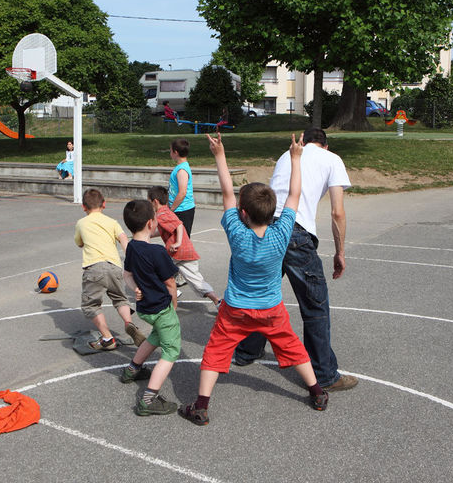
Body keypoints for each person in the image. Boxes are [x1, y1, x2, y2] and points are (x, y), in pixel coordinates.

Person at [178, 132, 328, 426]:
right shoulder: (282, 231)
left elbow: (227, 193)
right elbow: (294, 195)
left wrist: (219, 154)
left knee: (215, 352)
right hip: (271, 309)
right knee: (293, 347)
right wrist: (296, 159)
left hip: (235, 309)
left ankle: (201, 406)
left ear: (243, 213)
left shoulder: (236, 232)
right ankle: (318, 393)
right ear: (274, 212)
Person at [234, 128, 358, 393]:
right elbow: (337, 212)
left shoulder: (286, 155)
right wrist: (340, 252)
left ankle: (247, 351)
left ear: (304, 140)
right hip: (295, 231)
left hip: (265, 227)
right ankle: (324, 374)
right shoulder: (332, 159)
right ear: (325, 144)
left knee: (261, 291)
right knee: (315, 305)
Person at [120, 199, 182, 416]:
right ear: (151, 223)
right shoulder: (156, 252)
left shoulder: (131, 248)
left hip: (145, 309)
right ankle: (148, 399)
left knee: (155, 337)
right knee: (171, 350)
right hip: (160, 308)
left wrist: (136, 287)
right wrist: (173, 304)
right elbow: (170, 283)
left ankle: (132, 370)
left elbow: (126, 275)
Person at [74, 188, 146, 350]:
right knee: (120, 299)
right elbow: (123, 239)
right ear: (104, 204)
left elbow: (79, 243)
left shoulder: (81, 223)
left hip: (94, 268)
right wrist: (132, 259)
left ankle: (107, 338)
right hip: (114, 267)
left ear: (84, 207)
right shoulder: (112, 222)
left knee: (91, 305)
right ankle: (129, 323)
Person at [147, 186, 221, 307]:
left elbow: (179, 225)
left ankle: (172, 293)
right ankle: (217, 301)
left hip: (176, 251)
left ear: (155, 201)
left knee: (155, 270)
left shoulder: (162, 214)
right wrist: (146, 235)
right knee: (196, 280)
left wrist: (178, 242)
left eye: (149, 201)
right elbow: (163, 230)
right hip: (186, 251)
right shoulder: (167, 212)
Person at [168, 138, 196, 237]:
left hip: (183, 210)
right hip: (178, 209)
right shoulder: (180, 168)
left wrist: (171, 209)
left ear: (175, 152)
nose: (170, 153)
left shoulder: (182, 170)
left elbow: (182, 193)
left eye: (170, 150)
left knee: (182, 241)